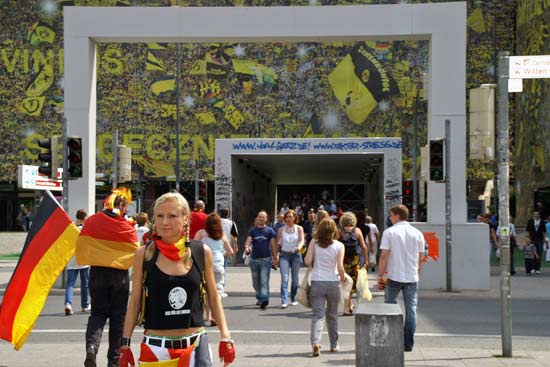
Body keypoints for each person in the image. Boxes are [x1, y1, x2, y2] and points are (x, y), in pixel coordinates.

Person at [118, 192, 235, 367]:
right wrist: (125, 344)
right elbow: (134, 301)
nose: (165, 222)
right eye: (160, 216)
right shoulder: (144, 254)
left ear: (186, 219)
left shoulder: (201, 252)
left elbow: (213, 297)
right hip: (156, 350)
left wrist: (225, 336)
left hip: (196, 347)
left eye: (172, 216)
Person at [75, 188, 139, 367]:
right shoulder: (126, 225)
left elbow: (82, 243)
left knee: (97, 313)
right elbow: (135, 249)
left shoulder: (92, 221)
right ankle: (114, 360)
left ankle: (92, 347)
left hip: (97, 273)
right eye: (125, 206)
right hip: (119, 275)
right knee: (118, 317)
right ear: (120, 205)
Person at [377, 204, 425, 352]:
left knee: (389, 307)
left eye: (391, 215)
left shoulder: (389, 232)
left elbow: (384, 255)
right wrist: (417, 273)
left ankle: (391, 340)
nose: (390, 218)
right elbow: (421, 257)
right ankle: (408, 344)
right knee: (411, 309)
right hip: (411, 276)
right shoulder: (417, 233)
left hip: (393, 276)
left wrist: (380, 275)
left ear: (397, 215)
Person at [304, 218, 345, 357]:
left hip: (317, 282)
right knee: (332, 315)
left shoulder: (314, 243)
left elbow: (307, 261)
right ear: (334, 230)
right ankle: (333, 345)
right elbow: (340, 267)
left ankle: (316, 342)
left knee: (318, 315)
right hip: (333, 282)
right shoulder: (339, 245)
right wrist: (344, 279)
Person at [194, 212, 234, 326]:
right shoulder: (222, 236)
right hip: (219, 265)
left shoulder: (201, 233)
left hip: (205, 266)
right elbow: (230, 252)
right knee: (218, 291)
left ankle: (208, 317)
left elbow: (193, 246)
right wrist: (223, 252)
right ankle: (218, 316)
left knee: (206, 291)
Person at [243, 210, 277, 310]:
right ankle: (259, 297)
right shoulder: (252, 231)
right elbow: (248, 241)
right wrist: (247, 247)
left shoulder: (270, 231)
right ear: (257, 218)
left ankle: (264, 299)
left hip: (266, 259)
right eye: (260, 216)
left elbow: (273, 245)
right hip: (254, 260)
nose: (261, 218)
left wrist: (274, 257)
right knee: (255, 282)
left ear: (266, 219)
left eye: (263, 217)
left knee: (264, 281)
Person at [339, 212, 368, 316]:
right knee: (351, 284)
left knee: (345, 283)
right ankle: (347, 308)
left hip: (343, 259)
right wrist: (365, 260)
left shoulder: (340, 231)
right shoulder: (357, 231)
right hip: (355, 260)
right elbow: (364, 247)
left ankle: (348, 306)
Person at [275, 209, 305, 309]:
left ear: (294, 218)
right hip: (284, 255)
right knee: (285, 278)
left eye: (290, 217)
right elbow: (278, 243)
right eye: (287, 217)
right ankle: (284, 300)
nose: (288, 219)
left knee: (295, 280)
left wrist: (299, 247)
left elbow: (301, 240)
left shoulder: (299, 228)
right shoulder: (281, 230)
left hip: (295, 255)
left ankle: (293, 298)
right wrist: (275, 256)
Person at [65, 209, 90, 316]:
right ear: (84, 218)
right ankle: (84, 305)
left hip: (71, 260)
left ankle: (68, 304)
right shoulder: (86, 229)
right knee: (85, 284)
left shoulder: (70, 228)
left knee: (70, 284)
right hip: (83, 259)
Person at [526, 210, 547, 274]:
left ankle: (537, 268)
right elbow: (528, 231)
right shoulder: (530, 221)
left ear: (539, 215)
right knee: (532, 254)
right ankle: (532, 268)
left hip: (540, 239)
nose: (536, 215)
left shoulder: (542, 222)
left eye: (537, 214)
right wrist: (528, 239)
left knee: (539, 254)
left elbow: (544, 232)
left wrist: (545, 239)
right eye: (534, 214)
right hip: (532, 239)